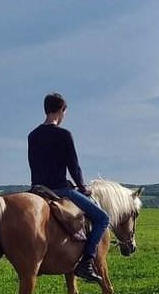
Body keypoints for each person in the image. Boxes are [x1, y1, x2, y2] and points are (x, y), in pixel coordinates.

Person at [27, 92, 109, 284]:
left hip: (37, 189)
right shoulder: (64, 135)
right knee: (103, 218)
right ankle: (87, 262)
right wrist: (82, 187)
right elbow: (74, 166)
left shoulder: (32, 135)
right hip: (60, 190)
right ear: (62, 110)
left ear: (46, 109)